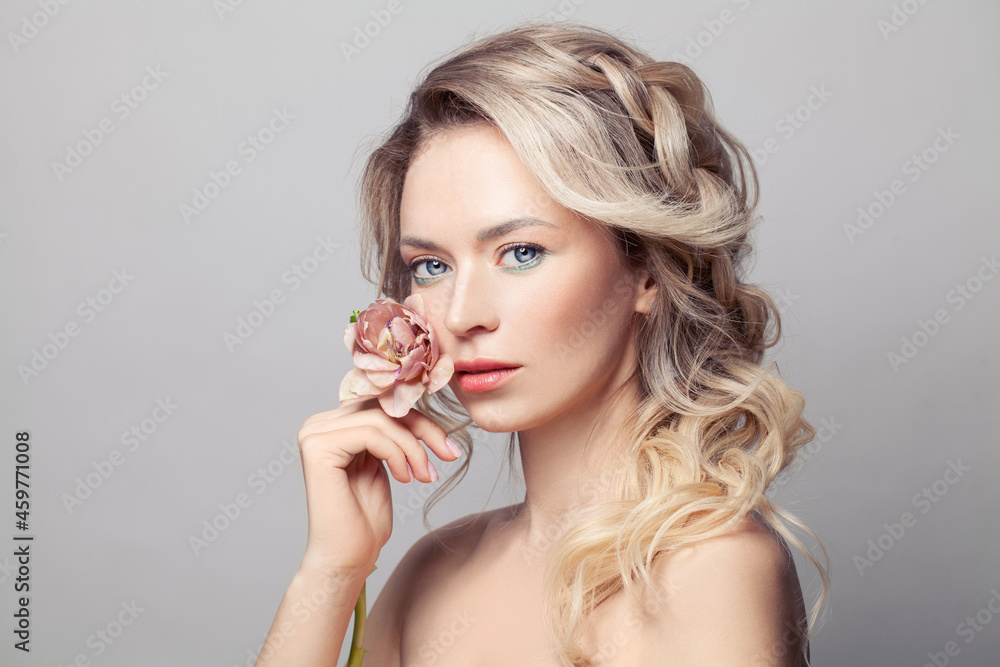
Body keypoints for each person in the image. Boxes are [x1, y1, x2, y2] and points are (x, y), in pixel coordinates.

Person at [255, 20, 829, 667]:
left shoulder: (710, 570)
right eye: (431, 266)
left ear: (646, 268)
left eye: (521, 251)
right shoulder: (428, 576)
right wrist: (330, 573)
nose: (463, 314)